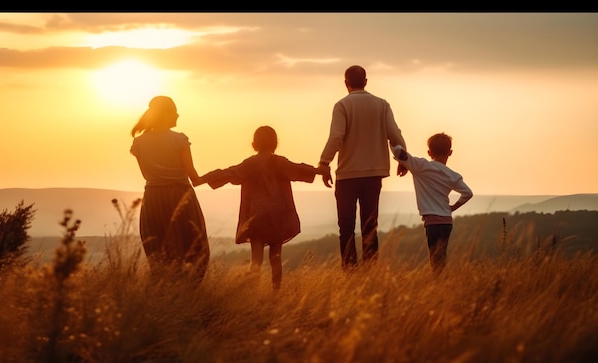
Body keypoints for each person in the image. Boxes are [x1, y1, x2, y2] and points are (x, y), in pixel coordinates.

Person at [202, 125, 329, 291]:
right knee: (275, 259)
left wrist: (203, 178)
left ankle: (253, 294)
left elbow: (230, 173)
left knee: (256, 260)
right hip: (278, 217)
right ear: (275, 142)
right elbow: (299, 169)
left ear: (254, 143)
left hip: (256, 219)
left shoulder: (250, 164)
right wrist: (321, 170)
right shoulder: (279, 162)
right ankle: (276, 294)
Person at [318, 65, 408, 270]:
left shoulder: (342, 105)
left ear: (345, 83)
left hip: (347, 175)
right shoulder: (382, 105)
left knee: (346, 229)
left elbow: (336, 137)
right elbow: (395, 135)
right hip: (374, 175)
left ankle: (350, 272)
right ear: (366, 81)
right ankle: (370, 273)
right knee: (370, 228)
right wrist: (403, 160)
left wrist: (324, 163)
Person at [130, 95, 210, 286]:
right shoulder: (179, 139)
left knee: (158, 250)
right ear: (165, 114)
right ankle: (189, 293)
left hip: (153, 198)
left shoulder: (139, 143)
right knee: (194, 248)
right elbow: (194, 176)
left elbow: (146, 175)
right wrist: (219, 176)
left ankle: (164, 294)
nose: (178, 115)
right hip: (180, 195)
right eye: (174, 111)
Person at [391, 132, 473, 274]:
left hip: (432, 222)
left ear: (429, 152)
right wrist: (453, 207)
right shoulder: (452, 175)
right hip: (447, 221)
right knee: (440, 256)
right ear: (450, 152)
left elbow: (397, 151)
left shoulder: (421, 166)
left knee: (435, 259)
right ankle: (441, 283)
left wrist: (403, 162)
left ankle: (440, 285)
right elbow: (468, 193)